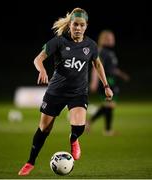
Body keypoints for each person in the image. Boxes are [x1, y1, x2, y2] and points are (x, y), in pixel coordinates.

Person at [18, 8, 113, 176]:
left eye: (81, 25)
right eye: (75, 24)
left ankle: (74, 139)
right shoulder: (59, 41)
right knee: (43, 130)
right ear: (70, 25)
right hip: (56, 92)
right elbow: (38, 58)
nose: (78, 28)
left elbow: (97, 64)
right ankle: (30, 162)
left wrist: (106, 86)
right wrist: (41, 70)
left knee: (79, 126)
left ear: (86, 26)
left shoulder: (90, 45)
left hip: (78, 93)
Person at [86, 30, 130, 136]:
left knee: (108, 105)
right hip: (105, 82)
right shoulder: (102, 52)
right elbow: (96, 66)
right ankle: (106, 129)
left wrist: (121, 74)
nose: (113, 40)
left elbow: (112, 68)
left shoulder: (110, 52)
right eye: (110, 38)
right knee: (109, 104)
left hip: (112, 81)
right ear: (105, 39)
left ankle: (100, 127)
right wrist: (94, 82)